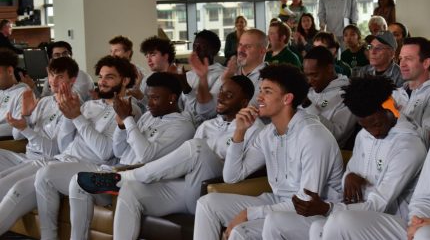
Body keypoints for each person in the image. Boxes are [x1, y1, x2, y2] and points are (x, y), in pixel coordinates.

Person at [76, 75, 261, 240]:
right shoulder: (208, 125)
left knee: (197, 147)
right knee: (131, 190)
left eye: (229, 95)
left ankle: (122, 178)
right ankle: (125, 181)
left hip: (216, 189)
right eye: (221, 91)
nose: (220, 97)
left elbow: (236, 172)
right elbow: (185, 162)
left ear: (244, 102)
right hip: (188, 187)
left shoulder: (255, 129)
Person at [317, 63, 430, 240]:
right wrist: (418, 221)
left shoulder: (409, 145)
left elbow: (380, 203)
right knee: (330, 224)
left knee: (427, 235)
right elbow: (425, 198)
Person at [262, 75, 426, 240]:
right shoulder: (364, 135)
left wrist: (328, 208)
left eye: (377, 124)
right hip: (355, 213)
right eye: (365, 126)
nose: (374, 132)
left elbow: (378, 205)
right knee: (297, 224)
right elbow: (350, 172)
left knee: (338, 221)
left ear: (391, 107)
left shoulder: (409, 146)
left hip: (396, 221)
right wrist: (349, 177)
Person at [193, 64, 343, 240]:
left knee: (241, 232)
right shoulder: (268, 133)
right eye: (261, 90)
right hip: (278, 201)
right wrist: (239, 132)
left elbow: (306, 202)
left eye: (267, 91)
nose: (259, 97)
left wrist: (249, 214)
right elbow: (231, 176)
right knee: (207, 203)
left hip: (314, 215)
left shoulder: (313, 135)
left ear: (287, 98)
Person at [67, 72, 196, 240]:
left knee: (123, 187)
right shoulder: (149, 116)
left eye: (155, 98)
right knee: (77, 182)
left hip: (142, 181)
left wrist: (128, 119)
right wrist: (121, 126)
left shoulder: (182, 126)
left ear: (172, 98)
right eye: (148, 97)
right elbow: (120, 152)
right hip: (117, 172)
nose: (149, 103)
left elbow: (145, 156)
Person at [34, 56, 142, 240]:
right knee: (36, 172)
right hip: (67, 161)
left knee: (45, 174)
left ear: (125, 80)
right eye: (100, 77)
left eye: (110, 77)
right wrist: (68, 116)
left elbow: (106, 153)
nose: (102, 82)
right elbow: (64, 146)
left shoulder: (130, 108)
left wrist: (77, 117)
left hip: (97, 168)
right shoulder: (90, 105)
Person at [0, 57, 78, 171]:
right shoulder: (44, 101)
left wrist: (25, 129)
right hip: (26, 158)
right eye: (51, 75)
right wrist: (25, 115)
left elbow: (54, 152)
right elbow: (17, 136)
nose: (53, 81)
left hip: (45, 163)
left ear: (72, 80)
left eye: (60, 77)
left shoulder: (73, 109)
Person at [393, 37, 430, 147]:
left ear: (426, 63)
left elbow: (428, 143)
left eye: (409, 59)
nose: (402, 64)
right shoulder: (397, 93)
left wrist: (395, 116)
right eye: (401, 58)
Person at [302, 46, 357, 147]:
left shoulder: (349, 93)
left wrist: (307, 105)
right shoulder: (308, 91)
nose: (309, 80)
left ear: (330, 69)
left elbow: (335, 135)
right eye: (307, 75)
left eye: (314, 75)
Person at [126, 36, 176, 105]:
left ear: (166, 56)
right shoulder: (147, 79)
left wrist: (141, 97)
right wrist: (136, 89)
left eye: (153, 55)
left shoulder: (181, 78)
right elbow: (142, 109)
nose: (148, 60)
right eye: (146, 56)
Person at [0, 48, 29, 138]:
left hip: (7, 141)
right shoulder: (2, 90)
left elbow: (17, 126)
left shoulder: (24, 93)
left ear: (9, 71)